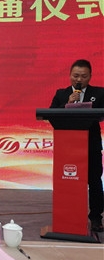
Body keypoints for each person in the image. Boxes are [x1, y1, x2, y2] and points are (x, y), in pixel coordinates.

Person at [50, 59, 104, 232]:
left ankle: (96, 217)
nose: (79, 79)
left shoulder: (99, 93)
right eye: (75, 76)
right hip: (68, 147)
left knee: (94, 181)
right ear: (69, 75)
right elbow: (51, 114)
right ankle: (68, 215)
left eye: (83, 76)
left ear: (90, 76)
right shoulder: (61, 94)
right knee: (68, 181)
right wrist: (67, 104)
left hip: (91, 145)